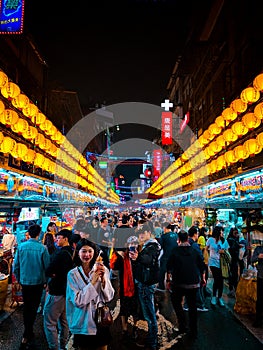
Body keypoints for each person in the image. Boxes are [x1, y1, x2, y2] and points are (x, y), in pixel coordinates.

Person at [66, 238, 115, 350]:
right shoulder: (72, 274)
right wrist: (93, 282)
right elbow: (78, 301)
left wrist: (103, 281)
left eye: (90, 251)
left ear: (94, 253)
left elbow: (109, 296)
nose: (87, 254)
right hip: (83, 323)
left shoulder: (103, 270)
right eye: (84, 251)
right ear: (78, 252)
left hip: (100, 320)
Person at [13, 224, 50, 349]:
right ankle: (28, 332)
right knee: (33, 307)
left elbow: (15, 266)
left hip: (25, 282)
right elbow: (47, 267)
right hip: (38, 283)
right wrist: (47, 282)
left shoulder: (21, 247)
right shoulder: (42, 249)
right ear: (39, 234)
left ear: (28, 233)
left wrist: (19, 279)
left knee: (27, 306)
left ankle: (27, 333)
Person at [166, 230, 206, 339]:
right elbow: (202, 265)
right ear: (187, 238)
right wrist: (202, 279)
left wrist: (168, 280)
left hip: (178, 283)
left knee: (176, 302)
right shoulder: (194, 250)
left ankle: (182, 324)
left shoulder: (175, 251)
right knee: (193, 307)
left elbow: (169, 267)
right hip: (193, 283)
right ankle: (194, 330)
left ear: (178, 239)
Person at [130, 223, 161, 350]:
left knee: (149, 314)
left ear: (149, 232)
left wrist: (138, 258)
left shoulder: (152, 246)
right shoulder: (149, 245)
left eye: (143, 233)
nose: (141, 235)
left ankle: (152, 341)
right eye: (139, 233)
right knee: (148, 312)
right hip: (146, 282)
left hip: (146, 284)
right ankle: (151, 338)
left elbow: (148, 259)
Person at [43, 229, 74, 350]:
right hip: (67, 292)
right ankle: (63, 345)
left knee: (49, 322)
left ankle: (54, 347)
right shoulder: (72, 252)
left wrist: (54, 274)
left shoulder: (61, 254)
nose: (57, 240)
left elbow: (49, 270)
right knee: (64, 321)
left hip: (57, 292)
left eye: (59, 237)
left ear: (66, 239)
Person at [109, 235, 140, 339]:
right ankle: (125, 330)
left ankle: (135, 328)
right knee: (124, 310)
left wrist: (137, 259)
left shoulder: (140, 256)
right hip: (124, 288)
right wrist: (117, 254)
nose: (133, 246)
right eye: (131, 244)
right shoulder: (123, 256)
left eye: (135, 244)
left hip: (136, 288)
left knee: (136, 310)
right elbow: (114, 266)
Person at [206, 225, 229, 307]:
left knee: (221, 281)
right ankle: (214, 297)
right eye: (221, 231)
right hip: (213, 263)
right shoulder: (210, 240)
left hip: (222, 264)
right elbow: (206, 248)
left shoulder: (224, 241)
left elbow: (227, 251)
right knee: (217, 279)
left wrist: (223, 252)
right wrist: (207, 257)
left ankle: (219, 297)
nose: (222, 233)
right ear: (218, 232)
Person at [158, 222, 178, 290]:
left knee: (162, 271)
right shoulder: (176, 235)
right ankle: (174, 286)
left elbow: (160, 247)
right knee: (174, 272)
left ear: (165, 228)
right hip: (175, 257)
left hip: (166, 257)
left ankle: (161, 286)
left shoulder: (164, 236)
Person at [227, 227, 241, 297]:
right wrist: (238, 246)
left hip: (235, 259)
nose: (236, 234)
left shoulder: (235, 239)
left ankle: (234, 290)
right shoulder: (230, 239)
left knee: (235, 275)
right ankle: (232, 290)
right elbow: (231, 248)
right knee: (232, 275)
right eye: (235, 233)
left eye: (237, 233)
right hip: (231, 260)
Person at [251, 244, 263, 328]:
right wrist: (259, 256)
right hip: (261, 277)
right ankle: (258, 320)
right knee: (260, 300)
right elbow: (252, 259)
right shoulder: (259, 249)